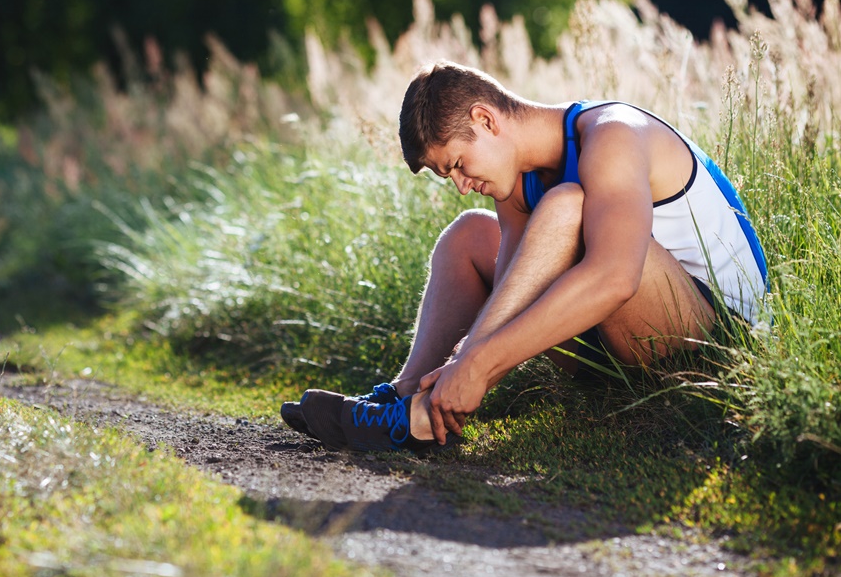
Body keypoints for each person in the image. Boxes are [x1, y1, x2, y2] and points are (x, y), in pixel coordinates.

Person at [281, 60, 769, 453]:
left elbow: (616, 278)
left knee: (566, 207)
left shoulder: (613, 135)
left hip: (716, 349)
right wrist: (460, 364)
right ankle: (408, 401)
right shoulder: (517, 183)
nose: (460, 185)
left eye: (457, 165)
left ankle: (423, 417)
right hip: (621, 349)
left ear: (485, 119)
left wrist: (476, 364)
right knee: (468, 235)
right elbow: (512, 295)